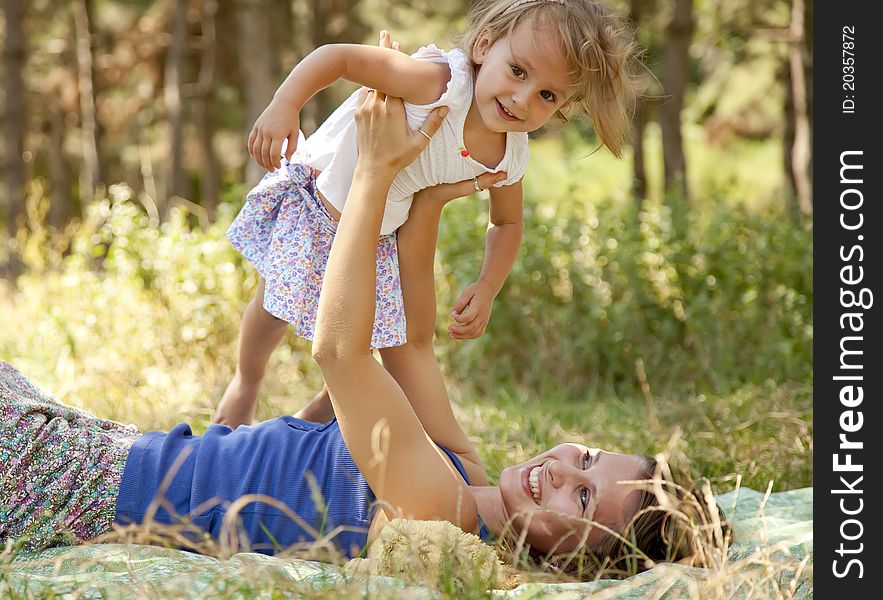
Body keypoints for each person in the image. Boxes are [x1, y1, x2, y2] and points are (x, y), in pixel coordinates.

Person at [0, 92, 710, 576]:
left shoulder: (441, 511)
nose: (563, 470)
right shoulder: (462, 471)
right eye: (587, 455)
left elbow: (342, 352)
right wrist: (425, 200)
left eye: (581, 498)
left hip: (86, 488)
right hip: (110, 447)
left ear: (570, 564)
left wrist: (372, 174)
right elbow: (411, 345)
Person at [216, 0, 645, 428]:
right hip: (323, 207)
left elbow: (508, 222)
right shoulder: (438, 84)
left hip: (378, 242)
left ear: (562, 108)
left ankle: (304, 426)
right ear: (483, 46)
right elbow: (339, 57)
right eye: (518, 70)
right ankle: (246, 384)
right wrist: (284, 104)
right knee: (273, 308)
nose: (522, 98)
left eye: (547, 95)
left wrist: (488, 284)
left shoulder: (510, 154)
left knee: (365, 344)